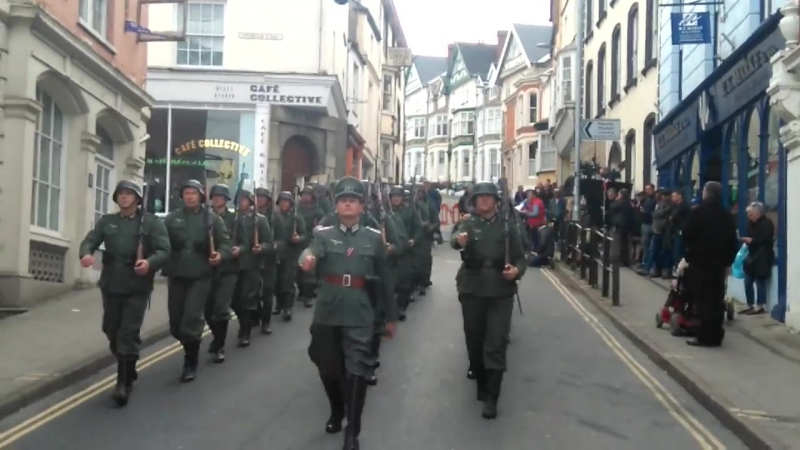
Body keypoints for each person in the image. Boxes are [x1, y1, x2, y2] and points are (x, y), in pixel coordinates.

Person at [299, 176, 397, 450]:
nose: (348, 204)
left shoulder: (374, 238)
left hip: (361, 312)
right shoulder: (323, 234)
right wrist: (306, 260)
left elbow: (385, 278)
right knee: (327, 367)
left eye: (353, 200)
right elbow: (310, 252)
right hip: (329, 310)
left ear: (362, 206)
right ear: (337, 205)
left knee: (357, 371)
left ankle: (352, 430)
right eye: (343, 200)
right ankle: (336, 408)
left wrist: (390, 317)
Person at [79, 180, 171, 407]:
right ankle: (129, 364)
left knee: (127, 333)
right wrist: (86, 254)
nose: (124, 197)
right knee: (110, 328)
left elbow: (164, 250)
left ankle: (122, 383)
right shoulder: (108, 222)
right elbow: (90, 241)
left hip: (137, 286)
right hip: (111, 283)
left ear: (138, 199)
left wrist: (149, 263)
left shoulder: (150, 223)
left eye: (129, 194)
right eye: (121, 193)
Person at [451, 181, 527, 419]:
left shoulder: (507, 227)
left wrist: (516, 271)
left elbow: (521, 258)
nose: (484, 200)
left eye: (488, 197)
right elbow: (454, 239)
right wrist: (459, 241)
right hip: (472, 288)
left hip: (499, 290)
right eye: (480, 197)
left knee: (496, 342)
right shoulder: (467, 223)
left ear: (496, 201)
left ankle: (491, 396)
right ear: (474, 202)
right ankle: (480, 378)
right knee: (475, 341)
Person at [163, 180, 231, 382]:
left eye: (194, 193)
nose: (190, 196)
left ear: (201, 196)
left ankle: (190, 362)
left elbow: (225, 244)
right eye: (187, 192)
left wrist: (220, 255)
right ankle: (189, 344)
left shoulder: (212, 220)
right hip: (177, 274)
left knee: (191, 319)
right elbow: (160, 243)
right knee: (176, 323)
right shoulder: (172, 218)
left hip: (201, 275)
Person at [681, 181, 738, 347]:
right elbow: (733, 243)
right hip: (719, 265)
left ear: (706, 194)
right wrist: (727, 262)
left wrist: (690, 253)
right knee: (717, 300)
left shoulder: (698, 213)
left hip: (700, 263)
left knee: (703, 302)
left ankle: (705, 337)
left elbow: (686, 233)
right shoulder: (727, 216)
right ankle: (716, 335)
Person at [229, 187, 272, 346]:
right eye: (239, 199)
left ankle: (245, 331)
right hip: (233, 265)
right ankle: (255, 316)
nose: (241, 202)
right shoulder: (232, 219)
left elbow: (269, 243)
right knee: (233, 301)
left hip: (252, 265)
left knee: (247, 299)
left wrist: (261, 248)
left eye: (244, 199)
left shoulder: (259, 220)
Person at [206, 184, 239, 362]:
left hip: (228, 269)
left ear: (226, 199)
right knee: (207, 309)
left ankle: (220, 344)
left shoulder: (234, 219)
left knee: (220, 309)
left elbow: (243, 237)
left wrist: (238, 248)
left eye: (221, 196)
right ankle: (216, 335)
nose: (217, 199)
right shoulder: (206, 217)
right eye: (215, 196)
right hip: (208, 269)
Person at [389, 186, 423, 320]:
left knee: (405, 283)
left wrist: (414, 239)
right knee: (390, 283)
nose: (396, 198)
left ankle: (401, 308)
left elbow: (419, 227)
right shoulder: (386, 212)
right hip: (390, 252)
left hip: (406, 250)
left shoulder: (410, 211)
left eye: (398, 196)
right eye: (393, 196)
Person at [275, 191, 308, 321]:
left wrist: (298, 238)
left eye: (286, 201)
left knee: (288, 281)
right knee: (277, 281)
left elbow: (304, 235)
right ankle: (279, 303)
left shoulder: (296, 218)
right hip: (277, 253)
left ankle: (287, 307)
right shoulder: (274, 217)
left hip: (291, 253)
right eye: (282, 201)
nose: (284, 204)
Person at [739, 202, 775, 315]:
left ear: (758, 214)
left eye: (751, 214)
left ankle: (760, 305)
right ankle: (750, 304)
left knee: (760, 281)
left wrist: (752, 241)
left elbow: (766, 239)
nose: (749, 217)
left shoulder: (767, 224)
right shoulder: (751, 224)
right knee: (747, 281)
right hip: (751, 255)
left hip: (763, 256)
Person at [255, 187, 283, 334]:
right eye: (257, 197)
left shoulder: (275, 217)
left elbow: (281, 237)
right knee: (252, 292)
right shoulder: (250, 216)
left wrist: (273, 245)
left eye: (262, 197)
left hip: (270, 259)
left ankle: (266, 321)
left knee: (267, 291)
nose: (259, 200)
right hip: (254, 258)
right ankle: (256, 315)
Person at [296, 186, 325, 308]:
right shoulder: (296, 209)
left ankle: (308, 295)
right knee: (298, 269)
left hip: (311, 239)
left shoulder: (316, 209)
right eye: (304, 194)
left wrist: (318, 227)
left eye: (308, 195)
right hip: (298, 240)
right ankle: (301, 291)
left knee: (310, 270)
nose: (306, 197)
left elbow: (323, 221)